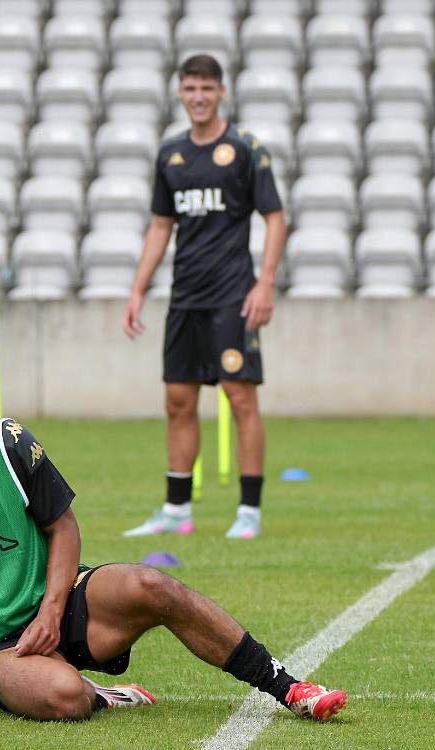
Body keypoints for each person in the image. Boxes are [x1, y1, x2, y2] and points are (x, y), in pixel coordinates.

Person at [0, 352, 347, 722]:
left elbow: (62, 525)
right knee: (64, 697)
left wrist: (51, 612)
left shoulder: (2, 442)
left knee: (152, 585)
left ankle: (290, 688)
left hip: (62, 601)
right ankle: (108, 696)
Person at [121, 54, 287, 540]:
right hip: (186, 298)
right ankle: (176, 510)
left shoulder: (244, 149)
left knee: (240, 398)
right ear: (179, 92)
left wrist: (266, 282)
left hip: (233, 296)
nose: (198, 97)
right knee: (177, 400)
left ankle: (249, 511)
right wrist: (137, 290)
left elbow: (274, 217)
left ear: (221, 93)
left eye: (206, 89)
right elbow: (160, 226)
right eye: (190, 88)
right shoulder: (170, 154)